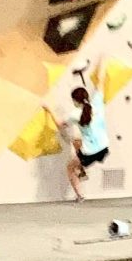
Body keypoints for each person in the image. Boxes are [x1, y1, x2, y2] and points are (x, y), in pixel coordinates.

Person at [46, 73, 110, 202]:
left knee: (69, 168)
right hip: (104, 148)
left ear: (75, 101)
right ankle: (81, 169)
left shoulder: (75, 114)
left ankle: (80, 196)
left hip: (89, 153)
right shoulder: (97, 103)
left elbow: (59, 124)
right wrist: (103, 59)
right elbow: (100, 82)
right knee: (76, 141)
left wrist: (48, 109)